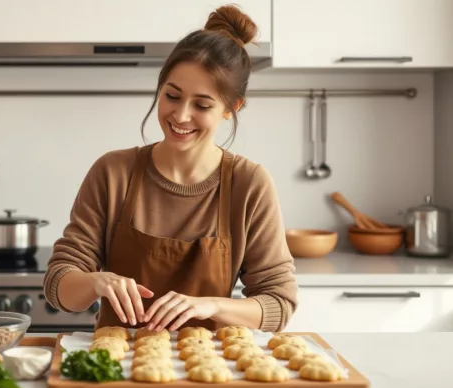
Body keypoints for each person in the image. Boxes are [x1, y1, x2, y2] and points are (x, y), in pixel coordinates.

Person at [43, 4, 298, 333]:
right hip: (114, 370)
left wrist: (210, 304)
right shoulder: (113, 172)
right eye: (172, 96)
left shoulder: (248, 184)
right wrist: (96, 282)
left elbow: (279, 303)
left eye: (202, 105)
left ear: (230, 108)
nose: (180, 116)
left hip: (209, 371)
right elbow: (58, 286)